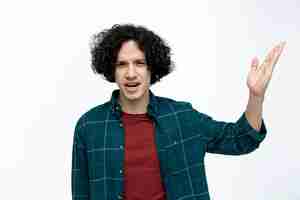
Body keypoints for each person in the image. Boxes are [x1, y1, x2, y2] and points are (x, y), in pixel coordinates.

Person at [71, 23, 285, 200]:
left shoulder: (181, 117)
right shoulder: (90, 126)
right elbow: (81, 194)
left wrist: (256, 96)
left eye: (139, 63)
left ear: (151, 68)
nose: (131, 73)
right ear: (111, 69)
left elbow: (241, 139)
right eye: (121, 64)